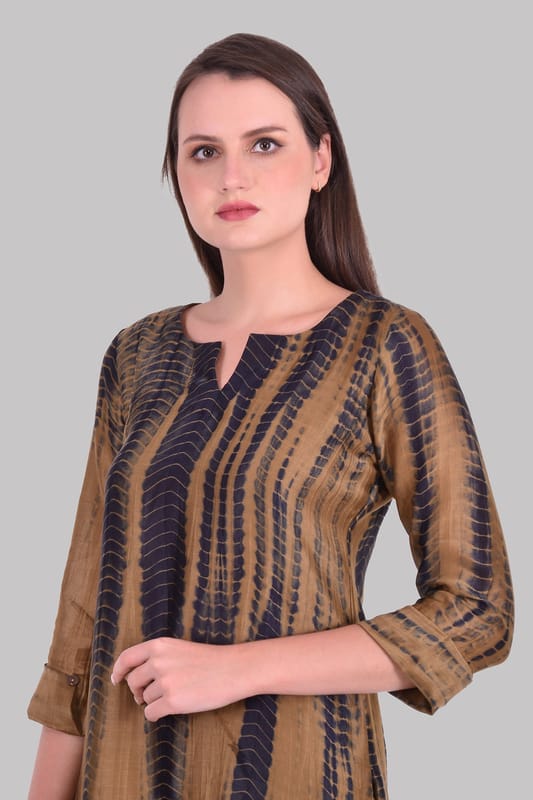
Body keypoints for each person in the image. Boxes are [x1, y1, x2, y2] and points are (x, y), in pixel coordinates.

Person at [27, 32, 514, 800]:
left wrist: (238, 669)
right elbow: (81, 632)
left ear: (320, 159)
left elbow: (476, 610)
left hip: (301, 770)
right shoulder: (137, 353)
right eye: (203, 152)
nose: (232, 176)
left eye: (263, 143)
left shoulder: (384, 344)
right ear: (176, 174)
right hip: (120, 775)